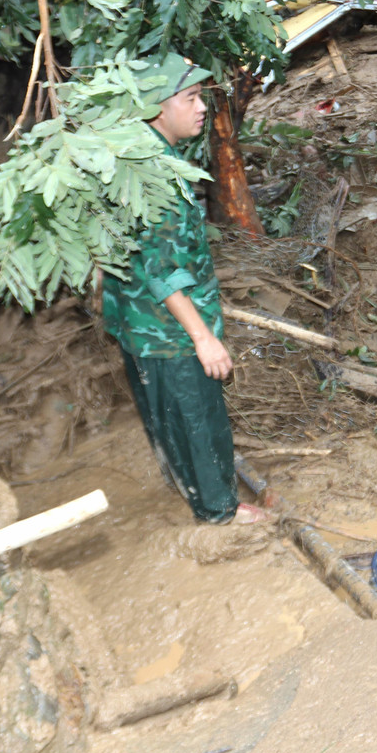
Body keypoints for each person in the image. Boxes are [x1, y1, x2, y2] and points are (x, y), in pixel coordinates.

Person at [102, 54, 264, 526]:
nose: (201, 108)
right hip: (167, 330)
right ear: (157, 107)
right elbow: (162, 269)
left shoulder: (131, 153)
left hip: (135, 321)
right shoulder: (161, 179)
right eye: (190, 98)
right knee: (198, 419)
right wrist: (202, 337)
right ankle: (221, 514)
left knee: (166, 416)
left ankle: (187, 487)